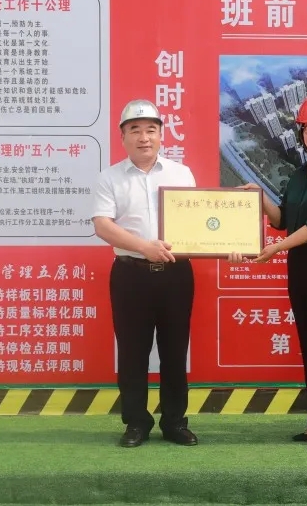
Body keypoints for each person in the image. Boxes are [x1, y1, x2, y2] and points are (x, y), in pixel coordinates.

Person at [229, 92, 307, 448]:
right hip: (300, 265)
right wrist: (258, 197)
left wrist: (275, 249)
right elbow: (284, 219)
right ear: (301, 133)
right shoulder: (301, 173)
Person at [90, 99, 199, 448]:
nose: (144, 137)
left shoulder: (181, 174)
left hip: (176, 275)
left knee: (174, 350)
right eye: (135, 130)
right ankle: (136, 422)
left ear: (162, 135)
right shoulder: (109, 177)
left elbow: (198, 222)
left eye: (151, 130)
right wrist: (143, 247)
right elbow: (103, 226)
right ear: (122, 136)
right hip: (130, 275)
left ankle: (175, 422)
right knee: (133, 352)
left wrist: (227, 243)